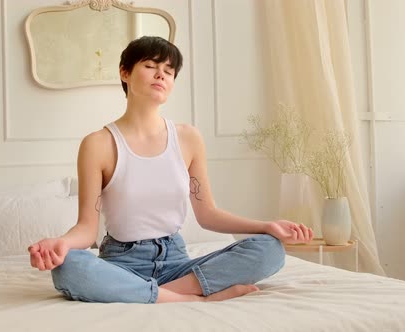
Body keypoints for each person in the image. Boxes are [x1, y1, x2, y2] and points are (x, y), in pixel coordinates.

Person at [28, 36, 313, 303]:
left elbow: (208, 215)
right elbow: (87, 231)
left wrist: (267, 226)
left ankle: (152, 295)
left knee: (269, 249)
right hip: (122, 264)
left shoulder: (188, 139)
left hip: (177, 262)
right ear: (125, 73)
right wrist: (61, 244)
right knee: (69, 267)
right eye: (150, 66)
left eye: (169, 70)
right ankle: (186, 298)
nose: (161, 74)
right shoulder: (97, 144)